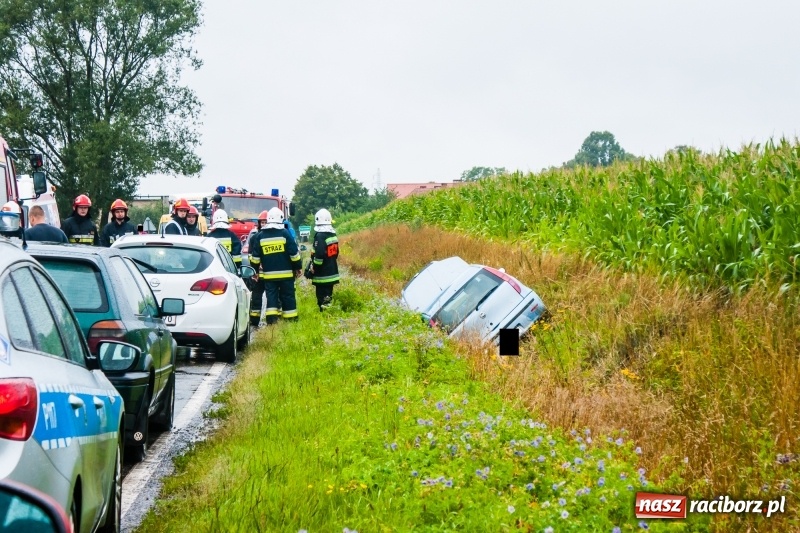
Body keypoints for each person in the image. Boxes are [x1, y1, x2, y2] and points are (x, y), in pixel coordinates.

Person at [249, 207, 301, 325]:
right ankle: (291, 321)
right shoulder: (285, 234)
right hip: (286, 275)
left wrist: (255, 271)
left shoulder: (260, 236)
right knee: (288, 296)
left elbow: (255, 258)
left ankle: (272, 322)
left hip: (269, 276)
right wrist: (298, 267)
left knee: (271, 298)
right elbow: (294, 254)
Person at [310, 208, 340, 311]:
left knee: (321, 297)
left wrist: (314, 267)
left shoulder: (320, 236)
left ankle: (324, 313)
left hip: (322, 274)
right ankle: (328, 314)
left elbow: (319, 255)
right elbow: (336, 253)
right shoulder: (333, 234)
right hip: (332, 271)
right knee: (328, 296)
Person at [247, 210, 269, 325]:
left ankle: (272, 321)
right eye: (262, 222)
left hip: (270, 273)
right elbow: (251, 255)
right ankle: (254, 321)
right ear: (259, 223)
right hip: (258, 274)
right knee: (256, 297)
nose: (264, 224)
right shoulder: (254, 238)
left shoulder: (271, 237)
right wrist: (255, 270)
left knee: (273, 298)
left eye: (266, 222)